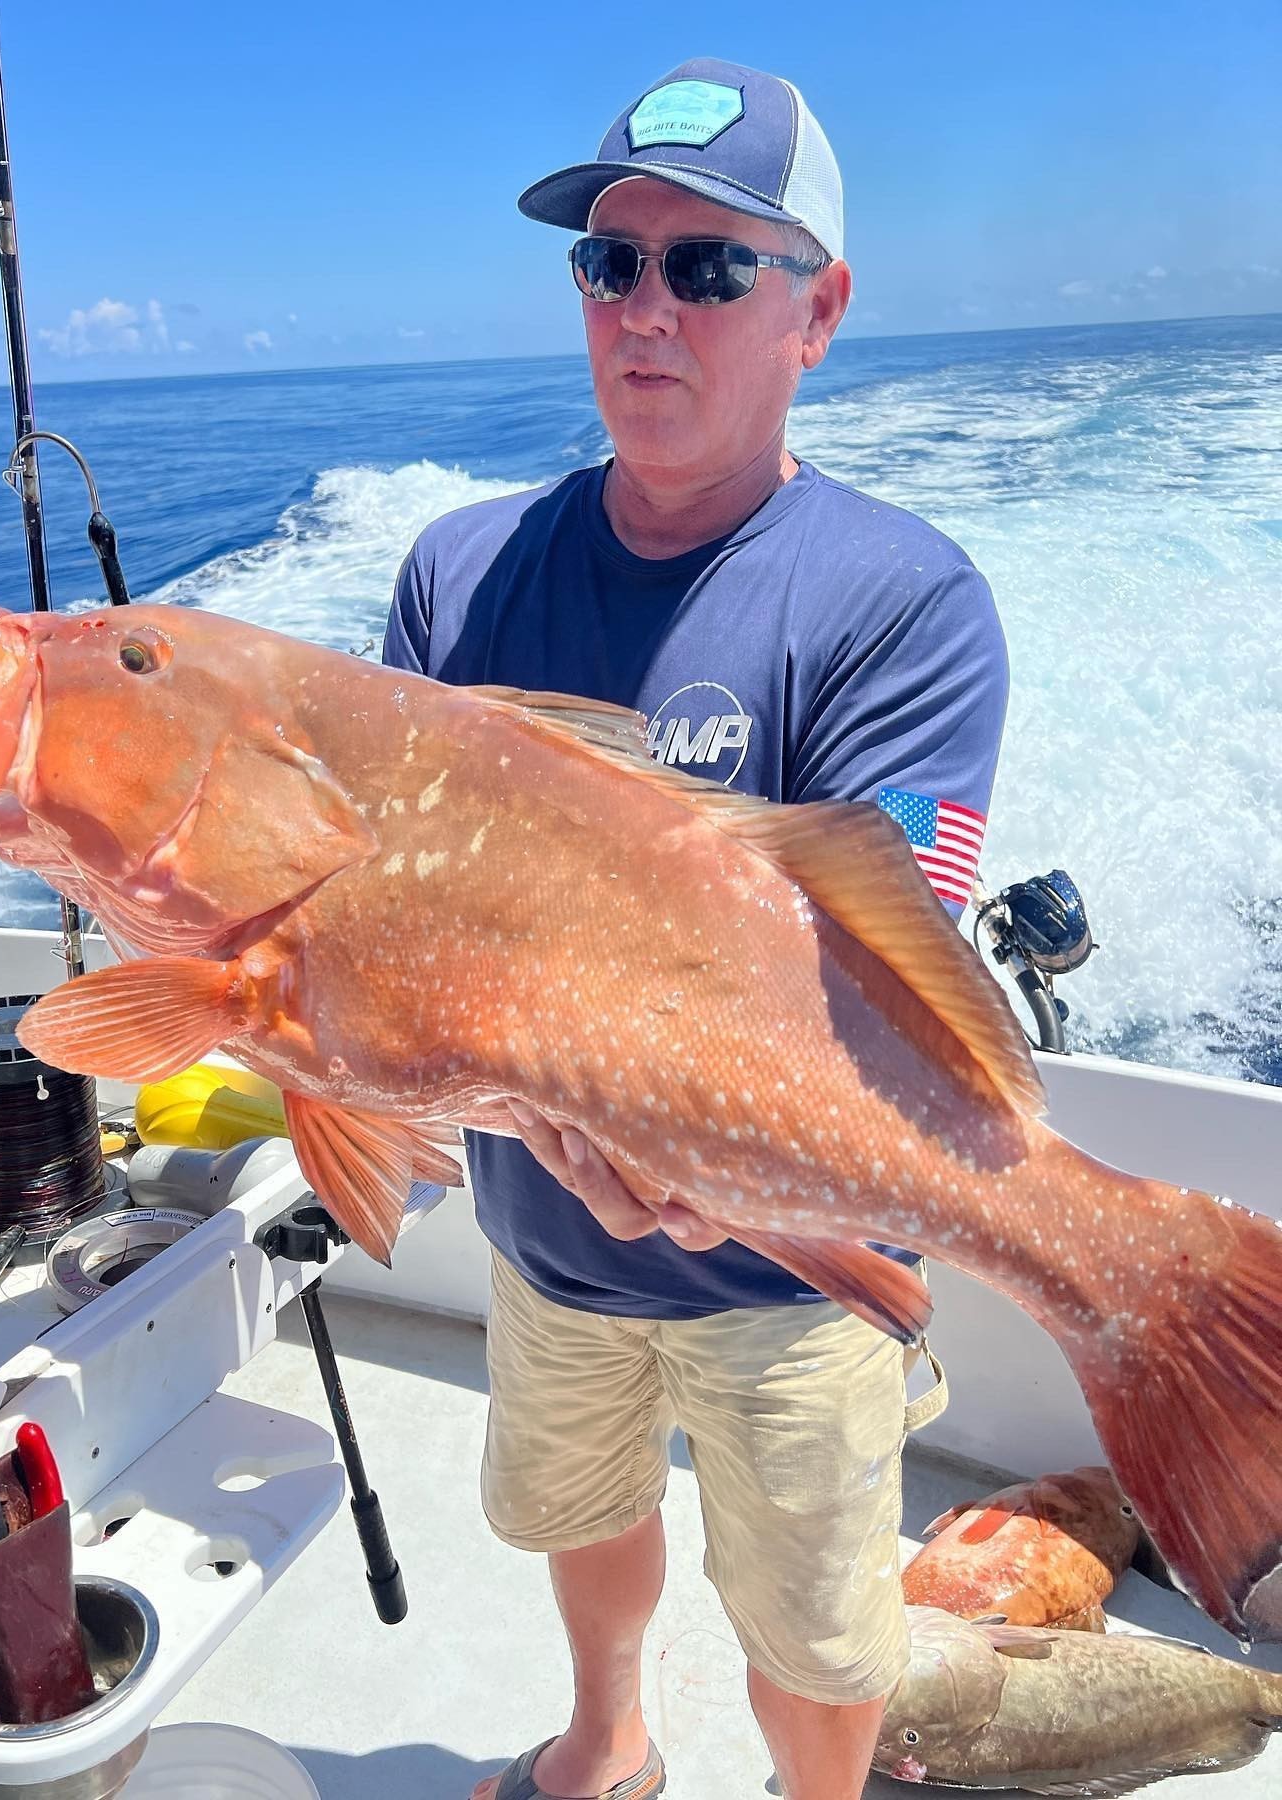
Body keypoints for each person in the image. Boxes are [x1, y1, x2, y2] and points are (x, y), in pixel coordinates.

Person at [383, 56, 1007, 1800]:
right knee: (578, 1513)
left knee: (813, 1626)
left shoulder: (903, 602)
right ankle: (611, 1736)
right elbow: (392, 896)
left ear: (820, 312)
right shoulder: (458, 571)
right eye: (610, 262)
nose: (646, 308)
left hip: (793, 1272)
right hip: (542, 1230)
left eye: (712, 267)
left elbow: (878, 988)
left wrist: (639, 1107)